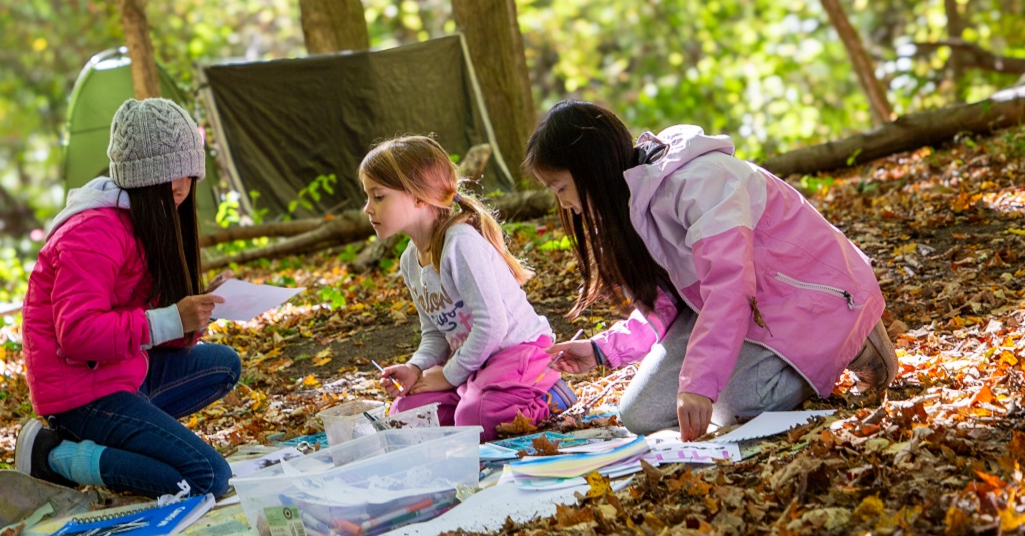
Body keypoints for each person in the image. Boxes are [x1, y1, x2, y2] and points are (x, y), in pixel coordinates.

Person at [524, 100, 898, 441]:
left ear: (591, 168)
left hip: (807, 297)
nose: (565, 204)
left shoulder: (699, 183)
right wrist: (602, 350)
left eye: (561, 187)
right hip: (747, 312)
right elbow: (671, 307)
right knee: (640, 414)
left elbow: (730, 287)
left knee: (737, 403)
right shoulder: (631, 208)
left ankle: (854, 343)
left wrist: (700, 383)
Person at [16, 98, 239, 499]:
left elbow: (142, 323)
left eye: (187, 173)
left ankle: (133, 439)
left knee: (224, 365)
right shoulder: (93, 232)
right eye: (168, 174)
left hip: (122, 371)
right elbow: (78, 333)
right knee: (206, 478)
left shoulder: (147, 222)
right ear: (139, 177)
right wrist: (171, 319)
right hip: (80, 393)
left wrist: (193, 316)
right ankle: (55, 456)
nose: (180, 187)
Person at [361, 135, 576, 442]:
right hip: (474, 364)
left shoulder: (459, 242)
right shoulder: (410, 260)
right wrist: (416, 367)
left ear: (419, 197)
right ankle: (474, 397)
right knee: (406, 415)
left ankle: (549, 396)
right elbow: (435, 334)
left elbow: (493, 325)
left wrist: (448, 375)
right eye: (368, 197)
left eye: (378, 196)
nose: (368, 209)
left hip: (517, 355)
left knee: (474, 417)